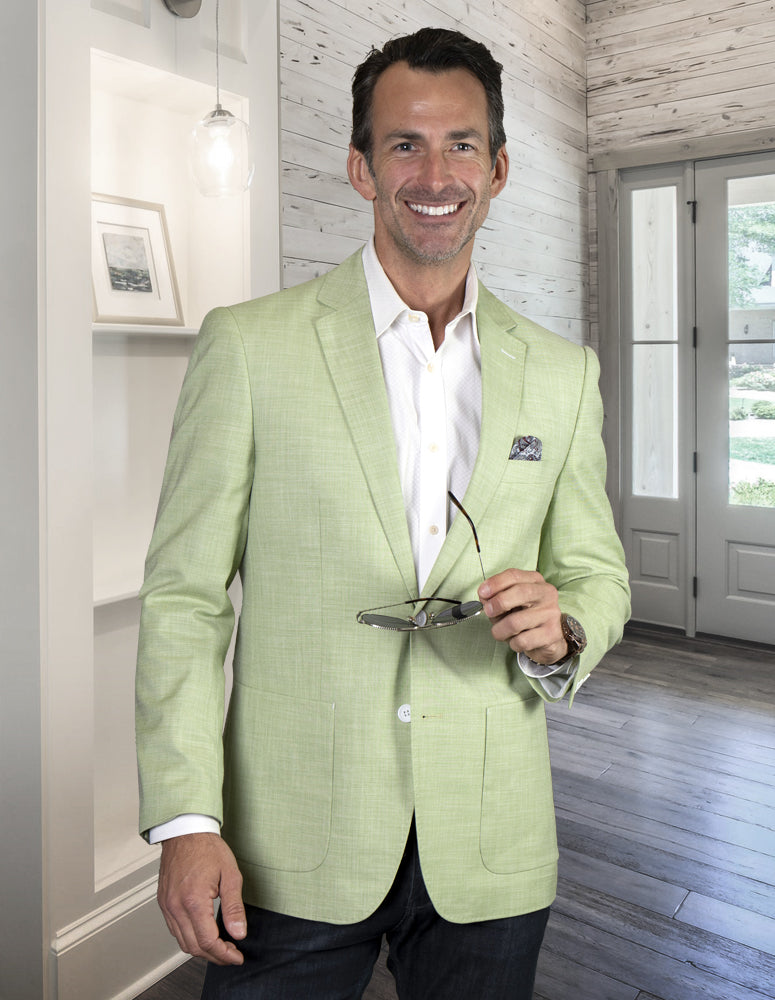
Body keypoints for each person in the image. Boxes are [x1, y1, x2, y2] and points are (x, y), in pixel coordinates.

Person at [135, 26, 630, 999]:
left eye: (459, 146)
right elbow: (185, 597)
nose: (433, 172)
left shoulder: (564, 376)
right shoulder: (248, 347)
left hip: (491, 842)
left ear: (497, 169)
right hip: (286, 846)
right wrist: (187, 821)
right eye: (404, 144)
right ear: (361, 168)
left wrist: (562, 630)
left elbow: (597, 572)